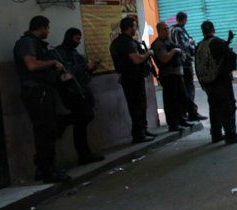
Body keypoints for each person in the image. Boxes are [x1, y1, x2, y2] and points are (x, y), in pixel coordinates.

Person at [13, 16, 71, 183]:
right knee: (45, 131)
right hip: (36, 93)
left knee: (48, 130)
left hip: (43, 91)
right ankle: (46, 170)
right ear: (41, 27)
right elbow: (31, 65)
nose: (48, 32)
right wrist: (52, 62)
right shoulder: (27, 43)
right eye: (47, 28)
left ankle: (46, 168)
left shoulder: (36, 44)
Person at [54, 28, 105, 165]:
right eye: (77, 39)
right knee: (83, 118)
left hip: (81, 89)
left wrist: (90, 68)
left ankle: (84, 153)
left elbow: (82, 70)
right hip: (71, 92)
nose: (78, 42)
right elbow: (65, 72)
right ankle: (83, 152)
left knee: (83, 121)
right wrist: (82, 68)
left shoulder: (74, 52)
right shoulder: (60, 52)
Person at [195, 21, 237, 145]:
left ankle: (216, 134)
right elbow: (232, 56)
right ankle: (231, 135)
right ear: (213, 29)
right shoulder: (217, 42)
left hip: (207, 83)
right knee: (227, 106)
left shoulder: (200, 45)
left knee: (214, 108)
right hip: (221, 80)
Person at [110, 16, 157, 144]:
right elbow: (136, 59)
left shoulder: (117, 42)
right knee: (138, 106)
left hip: (129, 78)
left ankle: (142, 130)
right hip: (132, 79)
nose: (136, 29)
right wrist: (148, 53)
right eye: (134, 26)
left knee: (138, 106)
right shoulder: (127, 43)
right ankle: (139, 134)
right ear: (129, 28)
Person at [151, 22, 194, 132]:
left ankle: (181, 119)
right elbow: (164, 59)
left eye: (167, 28)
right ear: (160, 31)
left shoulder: (167, 41)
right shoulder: (158, 44)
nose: (168, 31)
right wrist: (174, 51)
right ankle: (173, 124)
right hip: (168, 75)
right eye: (165, 29)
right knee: (171, 101)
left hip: (176, 74)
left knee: (181, 98)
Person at [170, 11, 207, 122]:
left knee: (185, 89)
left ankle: (186, 112)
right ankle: (191, 112)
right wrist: (190, 42)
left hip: (180, 64)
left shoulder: (172, 30)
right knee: (189, 89)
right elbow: (182, 46)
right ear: (184, 20)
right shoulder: (179, 31)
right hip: (184, 63)